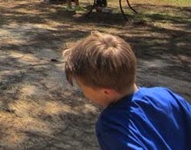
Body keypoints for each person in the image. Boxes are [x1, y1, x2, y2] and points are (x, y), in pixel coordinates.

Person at [63, 31, 191, 150]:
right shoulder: (165, 95)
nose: (83, 93)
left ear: (106, 92)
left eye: (82, 88)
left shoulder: (112, 126)